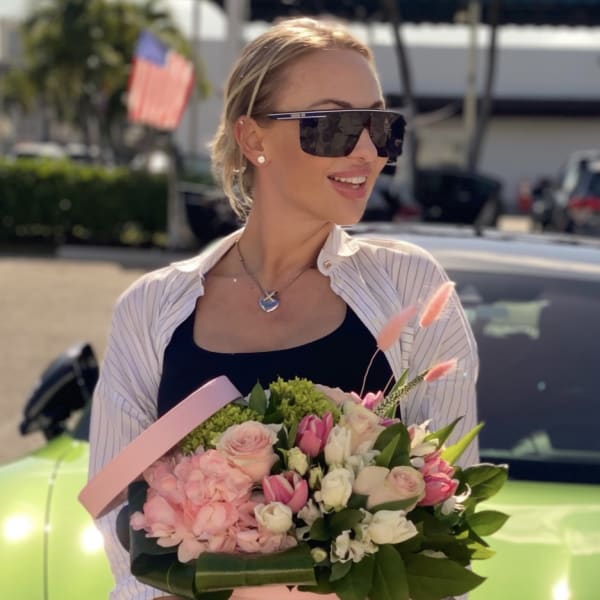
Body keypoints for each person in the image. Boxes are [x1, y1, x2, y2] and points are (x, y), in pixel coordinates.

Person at [88, 16, 479, 600]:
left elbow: (449, 512)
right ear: (253, 139)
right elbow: (118, 520)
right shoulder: (151, 309)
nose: (368, 151)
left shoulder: (412, 288)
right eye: (334, 126)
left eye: (381, 126)